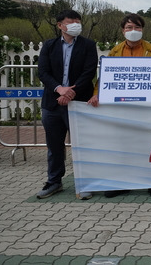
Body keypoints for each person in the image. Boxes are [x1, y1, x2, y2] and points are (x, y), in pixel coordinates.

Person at [87, 13, 151, 199]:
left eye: (137, 28)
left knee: (148, 144)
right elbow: (105, 77)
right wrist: (96, 94)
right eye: (129, 28)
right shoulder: (115, 51)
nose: (133, 31)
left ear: (142, 30)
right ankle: (122, 182)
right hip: (121, 107)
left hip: (146, 107)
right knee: (122, 145)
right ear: (123, 30)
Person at [36, 10, 98, 200]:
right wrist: (59, 89)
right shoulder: (49, 45)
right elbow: (43, 72)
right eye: (71, 21)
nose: (75, 24)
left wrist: (71, 92)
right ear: (60, 25)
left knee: (82, 145)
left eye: (78, 21)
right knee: (54, 146)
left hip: (78, 102)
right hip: (53, 103)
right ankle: (54, 181)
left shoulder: (88, 45)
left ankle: (86, 182)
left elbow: (89, 72)